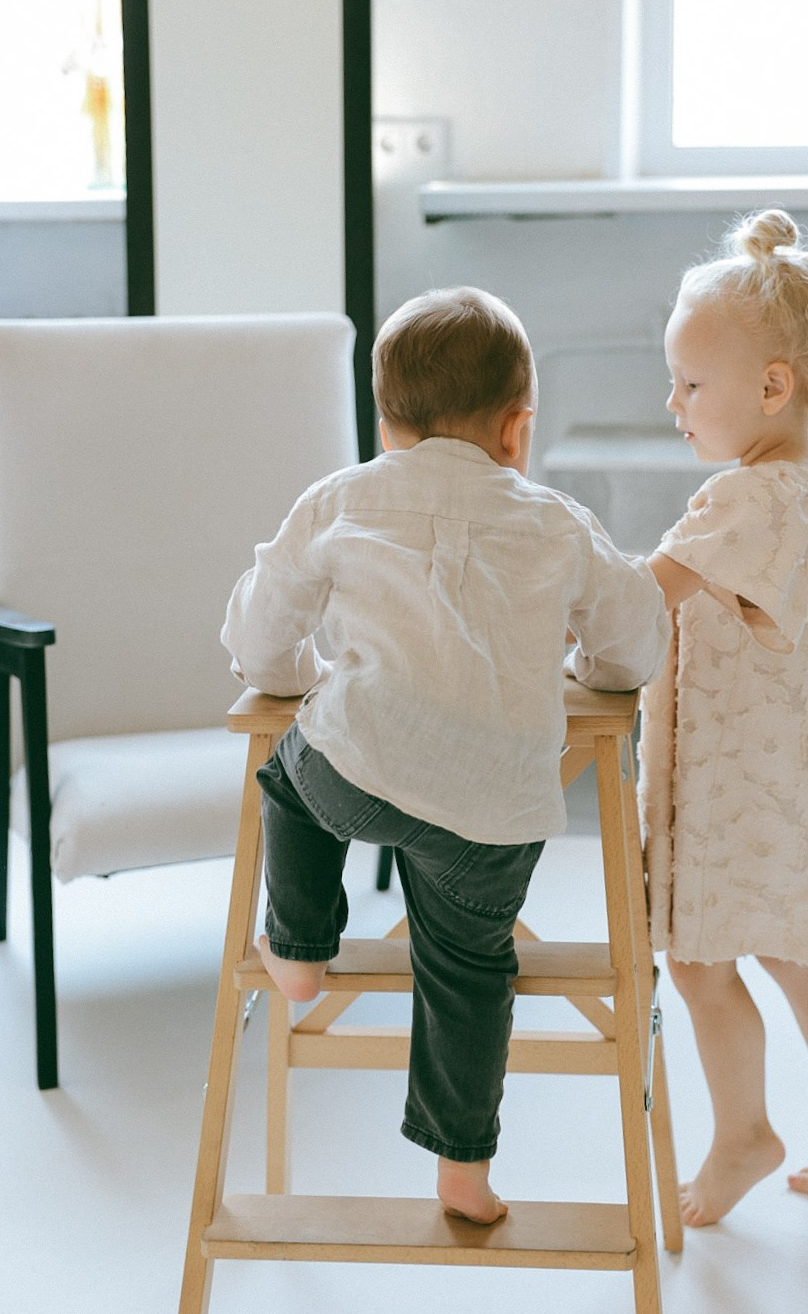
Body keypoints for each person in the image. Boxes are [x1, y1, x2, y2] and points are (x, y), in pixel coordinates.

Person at [222, 286, 670, 1225]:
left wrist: (291, 674)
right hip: (495, 817)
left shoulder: (340, 498)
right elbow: (637, 640)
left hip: (358, 774)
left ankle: (299, 950)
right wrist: (588, 663)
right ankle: (462, 1168)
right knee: (469, 975)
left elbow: (264, 631)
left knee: (289, 777)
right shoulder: (557, 521)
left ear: (386, 424)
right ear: (517, 429)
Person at [639, 209, 808, 1229]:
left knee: (703, 959)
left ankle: (746, 1134)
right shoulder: (793, 488)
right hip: (786, 774)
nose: (674, 405)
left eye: (689, 385)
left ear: (771, 387)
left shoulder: (745, 502)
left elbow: (643, 597)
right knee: (798, 951)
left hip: (740, 788)